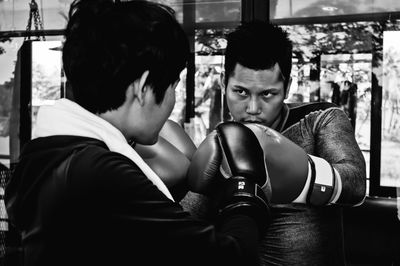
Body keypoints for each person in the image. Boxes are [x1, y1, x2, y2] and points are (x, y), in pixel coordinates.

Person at [4, 1, 271, 266]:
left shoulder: (46, 154)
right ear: (144, 87)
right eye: (173, 87)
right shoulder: (100, 173)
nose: (172, 102)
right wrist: (244, 192)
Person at [218, 21, 366, 266]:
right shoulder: (222, 141)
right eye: (240, 92)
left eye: (267, 94)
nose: (252, 109)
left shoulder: (319, 120)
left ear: (287, 87)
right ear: (224, 83)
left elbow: (356, 183)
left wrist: (302, 175)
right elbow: (186, 224)